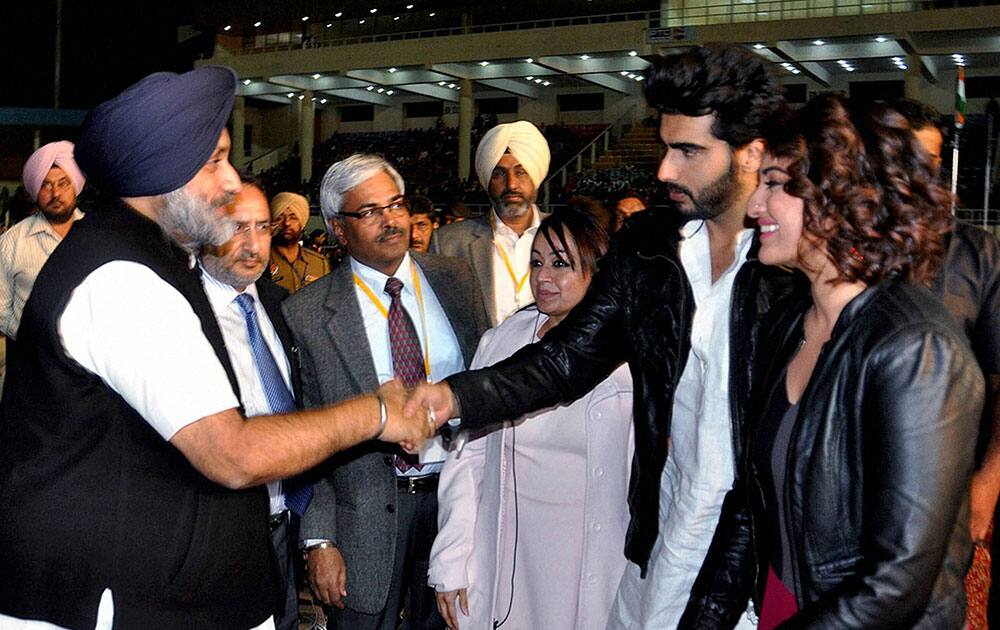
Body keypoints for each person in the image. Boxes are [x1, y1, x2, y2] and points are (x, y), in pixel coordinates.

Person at [0, 67, 433, 630]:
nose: (231, 181)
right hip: (110, 596)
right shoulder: (122, 280)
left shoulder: (151, 257)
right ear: (162, 173)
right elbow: (232, 454)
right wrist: (376, 412)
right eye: (213, 162)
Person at [407, 44, 798, 629]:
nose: (664, 169)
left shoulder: (794, 271)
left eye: (688, 150)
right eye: (665, 147)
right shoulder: (648, 246)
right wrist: (453, 397)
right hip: (654, 551)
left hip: (747, 570)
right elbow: (566, 360)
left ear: (753, 153)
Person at [681, 94, 984, 628]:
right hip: (785, 603)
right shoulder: (786, 323)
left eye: (774, 184)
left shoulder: (915, 348)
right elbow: (751, 506)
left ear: (841, 192)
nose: (754, 207)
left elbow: (896, 584)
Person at [281, 154, 489, 630]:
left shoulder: (456, 281)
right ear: (337, 227)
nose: (390, 219)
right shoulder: (307, 313)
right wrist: (319, 540)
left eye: (394, 204)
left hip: (455, 505)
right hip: (364, 517)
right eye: (369, 211)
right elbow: (309, 436)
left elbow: (485, 388)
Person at [428, 208, 633, 630]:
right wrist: (451, 561)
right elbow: (467, 461)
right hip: (507, 554)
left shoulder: (629, 359)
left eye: (561, 264)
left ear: (597, 269)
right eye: (536, 262)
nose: (543, 276)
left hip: (599, 554)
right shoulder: (503, 342)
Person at [892, 97, 1000, 628]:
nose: (918, 177)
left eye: (929, 163)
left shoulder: (978, 254)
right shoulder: (841, 251)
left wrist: (991, 478)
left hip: (950, 494)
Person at [199, 179, 308, 630]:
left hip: (285, 519)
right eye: (237, 227)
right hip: (216, 531)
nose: (254, 243)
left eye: (263, 227)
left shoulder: (284, 307)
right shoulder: (183, 312)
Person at [434, 120, 551, 326]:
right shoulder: (449, 243)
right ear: (487, 181)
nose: (511, 184)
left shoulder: (568, 234)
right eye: (499, 173)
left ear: (536, 175)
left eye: (521, 171)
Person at [0, 141, 86, 340]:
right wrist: (36, 342)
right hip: (33, 359)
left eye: (63, 183)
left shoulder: (96, 236)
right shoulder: (12, 242)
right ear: (35, 191)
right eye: (46, 185)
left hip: (87, 363)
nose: (55, 194)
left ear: (75, 185)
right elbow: (1, 309)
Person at [269, 190, 330, 292]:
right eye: (279, 217)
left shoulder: (319, 263)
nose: (287, 223)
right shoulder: (261, 262)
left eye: (293, 217)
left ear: (302, 223)